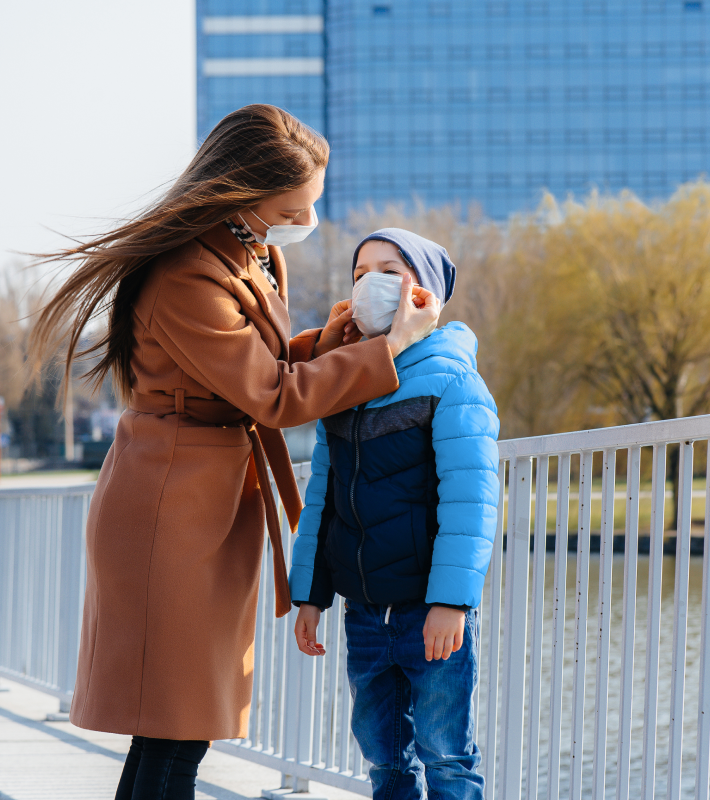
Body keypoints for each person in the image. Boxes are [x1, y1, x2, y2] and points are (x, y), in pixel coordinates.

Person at [28, 107, 441, 800]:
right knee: (172, 726)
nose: (311, 212)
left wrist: (343, 336)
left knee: (182, 726)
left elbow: (264, 366)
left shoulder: (249, 252)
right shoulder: (186, 274)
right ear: (251, 192)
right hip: (172, 502)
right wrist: (389, 349)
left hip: (205, 496)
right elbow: (273, 396)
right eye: (300, 200)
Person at [289, 228, 500, 800]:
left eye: (389, 269)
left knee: (446, 755)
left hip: (428, 612)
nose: (369, 283)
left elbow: (471, 503)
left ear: (424, 291)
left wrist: (451, 603)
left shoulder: (454, 379)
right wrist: (308, 594)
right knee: (383, 758)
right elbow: (323, 495)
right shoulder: (347, 378)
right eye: (360, 273)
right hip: (364, 614)